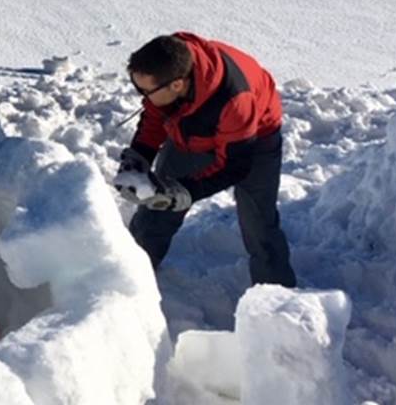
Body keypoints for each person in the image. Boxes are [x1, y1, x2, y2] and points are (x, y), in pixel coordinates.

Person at [116, 33, 296, 288]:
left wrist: (186, 191)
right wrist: (139, 156)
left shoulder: (235, 100)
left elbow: (234, 165)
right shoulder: (169, 65)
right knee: (156, 205)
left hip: (253, 140)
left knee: (259, 224)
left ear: (177, 85)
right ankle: (128, 274)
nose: (141, 96)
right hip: (193, 132)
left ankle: (276, 301)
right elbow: (155, 112)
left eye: (145, 90)